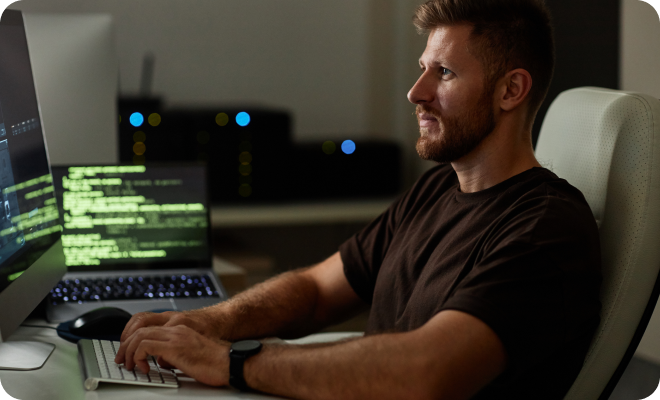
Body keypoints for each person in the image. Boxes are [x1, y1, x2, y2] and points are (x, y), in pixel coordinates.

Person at [115, 0, 602, 399]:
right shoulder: (438, 189)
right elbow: (317, 290)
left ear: (511, 90)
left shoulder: (546, 229)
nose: (416, 92)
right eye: (421, 69)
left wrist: (231, 362)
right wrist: (208, 323)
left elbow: (426, 372)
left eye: (446, 73)